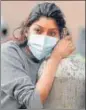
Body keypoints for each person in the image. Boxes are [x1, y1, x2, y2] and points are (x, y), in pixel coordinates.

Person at [1, 2, 75, 109]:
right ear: (27, 31)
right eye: (38, 30)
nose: (44, 38)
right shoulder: (8, 53)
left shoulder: (48, 57)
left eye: (52, 33)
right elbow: (33, 103)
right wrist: (55, 57)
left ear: (60, 37)